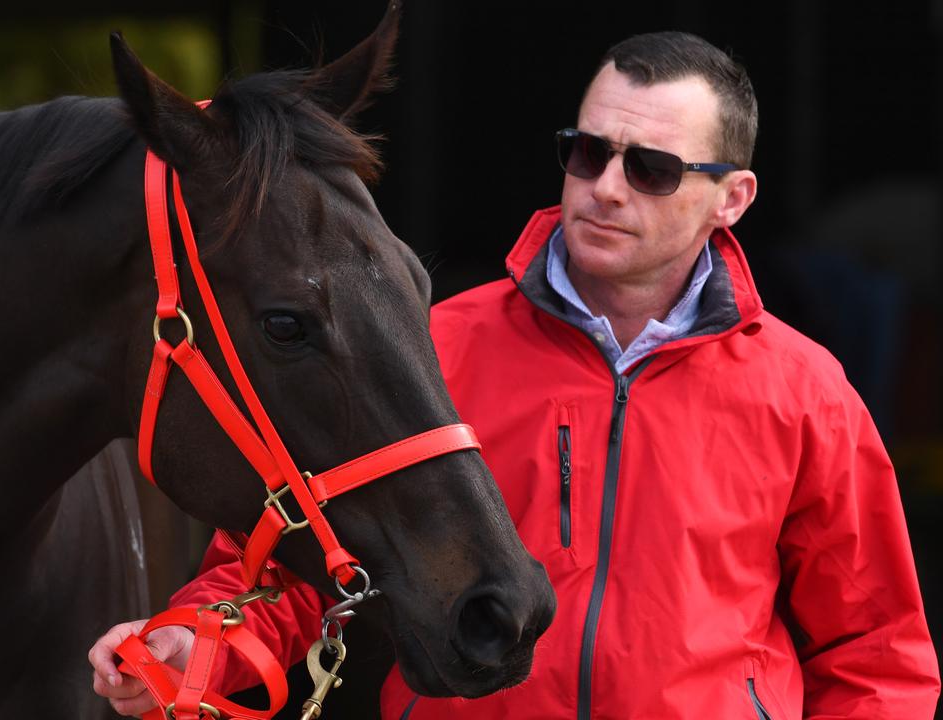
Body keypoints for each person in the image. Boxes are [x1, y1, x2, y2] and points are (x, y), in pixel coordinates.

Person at [89, 31, 941, 718]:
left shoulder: (807, 391)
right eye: (587, 152)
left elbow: (874, 656)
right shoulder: (439, 343)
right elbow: (280, 572)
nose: (606, 187)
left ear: (733, 199)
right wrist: (190, 645)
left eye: (649, 168)